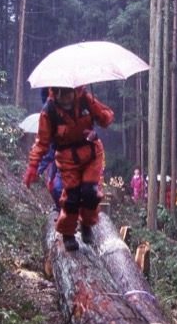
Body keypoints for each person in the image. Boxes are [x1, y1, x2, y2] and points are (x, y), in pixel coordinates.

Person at [23, 86, 114, 251]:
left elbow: (107, 116)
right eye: (61, 95)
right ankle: (67, 233)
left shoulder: (86, 99)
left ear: (74, 91)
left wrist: (102, 117)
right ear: (55, 93)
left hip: (91, 154)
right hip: (67, 159)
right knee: (71, 198)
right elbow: (41, 143)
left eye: (68, 95)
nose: (65, 99)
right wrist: (33, 165)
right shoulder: (49, 111)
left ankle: (86, 223)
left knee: (90, 193)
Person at [36, 145, 62, 211]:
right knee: (52, 186)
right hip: (58, 163)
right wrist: (38, 170)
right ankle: (59, 207)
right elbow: (49, 154)